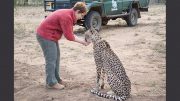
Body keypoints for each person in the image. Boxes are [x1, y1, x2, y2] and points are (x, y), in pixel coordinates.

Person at [36, 2, 90, 90]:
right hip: (45, 36)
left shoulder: (69, 14)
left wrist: (82, 40)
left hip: (51, 36)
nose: (81, 18)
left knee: (56, 57)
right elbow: (69, 36)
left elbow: (70, 33)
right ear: (78, 11)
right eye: (82, 15)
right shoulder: (67, 17)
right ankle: (51, 83)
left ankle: (56, 79)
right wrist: (83, 42)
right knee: (51, 59)